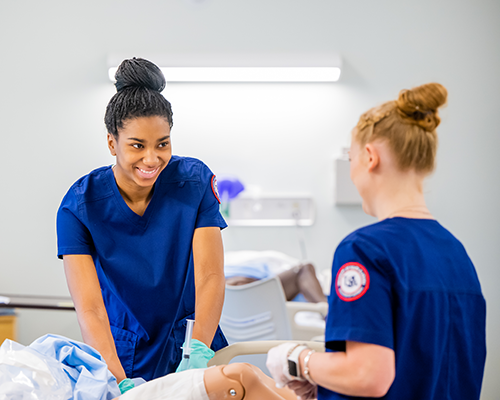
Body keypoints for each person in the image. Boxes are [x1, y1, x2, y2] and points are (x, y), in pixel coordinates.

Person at [266, 83, 487, 399]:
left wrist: (298, 360)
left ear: (369, 157)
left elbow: (368, 374)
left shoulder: (365, 250)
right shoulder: (456, 254)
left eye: (351, 158)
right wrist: (328, 385)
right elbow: (421, 367)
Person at [56, 58, 228, 391]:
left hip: (195, 342)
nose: (152, 159)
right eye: (138, 145)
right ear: (112, 143)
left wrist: (198, 351)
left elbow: (210, 275)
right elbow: (90, 308)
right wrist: (119, 381)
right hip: (123, 356)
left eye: (162, 143)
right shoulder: (78, 207)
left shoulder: (193, 183)